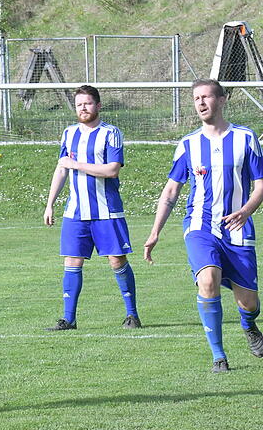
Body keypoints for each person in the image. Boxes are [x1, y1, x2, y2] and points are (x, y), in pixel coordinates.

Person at [144, 78, 263, 373]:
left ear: (222, 101)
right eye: (196, 98)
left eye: (206, 97)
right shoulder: (188, 144)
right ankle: (218, 356)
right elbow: (171, 191)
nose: (200, 103)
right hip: (200, 225)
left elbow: (260, 184)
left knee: (248, 302)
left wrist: (246, 210)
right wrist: (155, 232)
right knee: (207, 280)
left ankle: (249, 326)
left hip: (238, 227)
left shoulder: (246, 138)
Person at [43, 85, 141, 331]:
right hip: (75, 213)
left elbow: (112, 170)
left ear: (98, 106)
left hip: (107, 211)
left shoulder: (111, 133)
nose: (83, 108)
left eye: (87, 103)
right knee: (72, 262)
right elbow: (62, 168)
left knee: (117, 261)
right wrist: (50, 203)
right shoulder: (69, 133)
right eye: (79, 104)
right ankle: (69, 319)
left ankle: (132, 315)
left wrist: (76, 164)